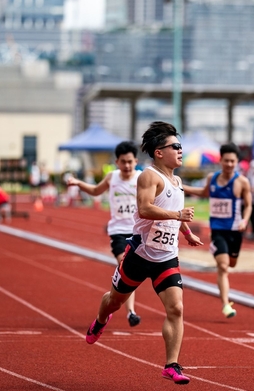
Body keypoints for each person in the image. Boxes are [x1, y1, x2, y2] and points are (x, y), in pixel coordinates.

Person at [84, 121, 203, 385]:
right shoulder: (148, 176)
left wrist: (186, 232)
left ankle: (171, 365)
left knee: (177, 308)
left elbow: (174, 211)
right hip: (139, 255)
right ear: (159, 152)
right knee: (114, 301)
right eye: (176, 146)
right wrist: (177, 215)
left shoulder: (178, 180)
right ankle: (101, 320)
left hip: (167, 256)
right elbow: (145, 209)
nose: (181, 151)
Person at [67, 141, 143, 327]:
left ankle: (114, 304)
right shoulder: (112, 177)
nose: (126, 166)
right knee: (125, 266)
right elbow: (95, 191)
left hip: (138, 232)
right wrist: (78, 183)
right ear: (116, 162)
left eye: (130, 162)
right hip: (118, 232)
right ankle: (131, 312)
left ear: (136, 161)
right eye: (123, 162)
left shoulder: (142, 179)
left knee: (136, 272)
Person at [183, 142, 252, 318]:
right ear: (221, 160)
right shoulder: (212, 178)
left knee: (231, 264)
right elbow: (205, 193)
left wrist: (245, 220)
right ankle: (225, 304)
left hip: (235, 231)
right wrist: (182, 187)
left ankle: (226, 297)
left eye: (233, 161)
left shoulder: (242, 182)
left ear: (236, 162)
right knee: (222, 266)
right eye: (226, 161)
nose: (229, 164)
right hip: (218, 231)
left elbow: (249, 205)